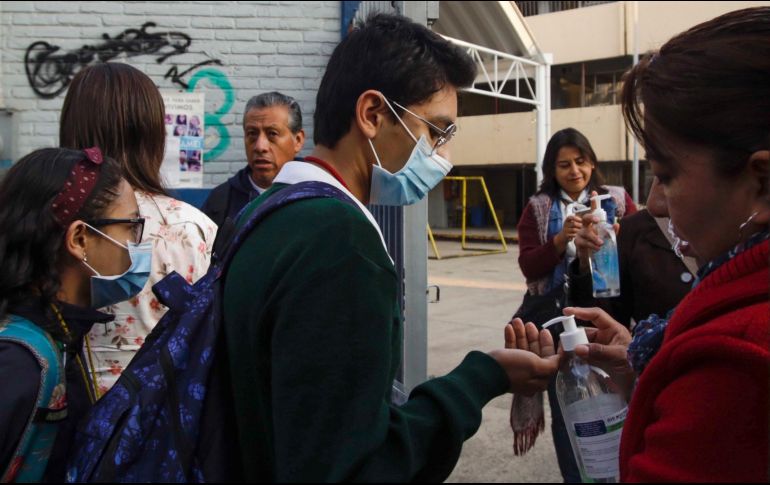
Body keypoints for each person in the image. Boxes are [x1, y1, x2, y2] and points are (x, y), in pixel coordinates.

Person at [222, 14, 560, 481]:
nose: (442, 156)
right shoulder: (341, 244)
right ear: (372, 115)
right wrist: (483, 377)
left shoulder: (264, 213)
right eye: (436, 131)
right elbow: (355, 468)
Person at [556, 7, 769, 481]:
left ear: (762, 183)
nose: (655, 203)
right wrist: (646, 363)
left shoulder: (733, 365)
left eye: (666, 175)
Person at [59, 62, 217, 393]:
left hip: (62, 406)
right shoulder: (191, 227)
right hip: (160, 414)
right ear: (152, 134)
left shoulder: (50, 218)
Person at [0, 147, 149, 482]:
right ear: (80, 239)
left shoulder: (60, 332)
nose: (138, 243)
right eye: (131, 226)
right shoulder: (20, 362)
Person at [513, 127, 636, 482]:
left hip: (610, 319)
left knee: (621, 404)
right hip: (560, 325)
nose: (574, 171)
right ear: (552, 170)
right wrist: (559, 240)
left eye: (580, 161)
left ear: (592, 162)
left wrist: (613, 238)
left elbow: (634, 255)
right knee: (570, 408)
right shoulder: (539, 207)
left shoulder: (616, 200)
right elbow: (529, 266)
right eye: (563, 164)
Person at [567, 177, 697, 328]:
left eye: (667, 177)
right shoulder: (632, 231)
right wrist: (586, 264)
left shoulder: (721, 236)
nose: (651, 202)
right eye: (657, 176)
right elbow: (603, 325)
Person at [201, 92, 306, 228]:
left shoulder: (316, 195)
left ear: (298, 140)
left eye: (272, 134)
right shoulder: (220, 201)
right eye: (252, 134)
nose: (260, 146)